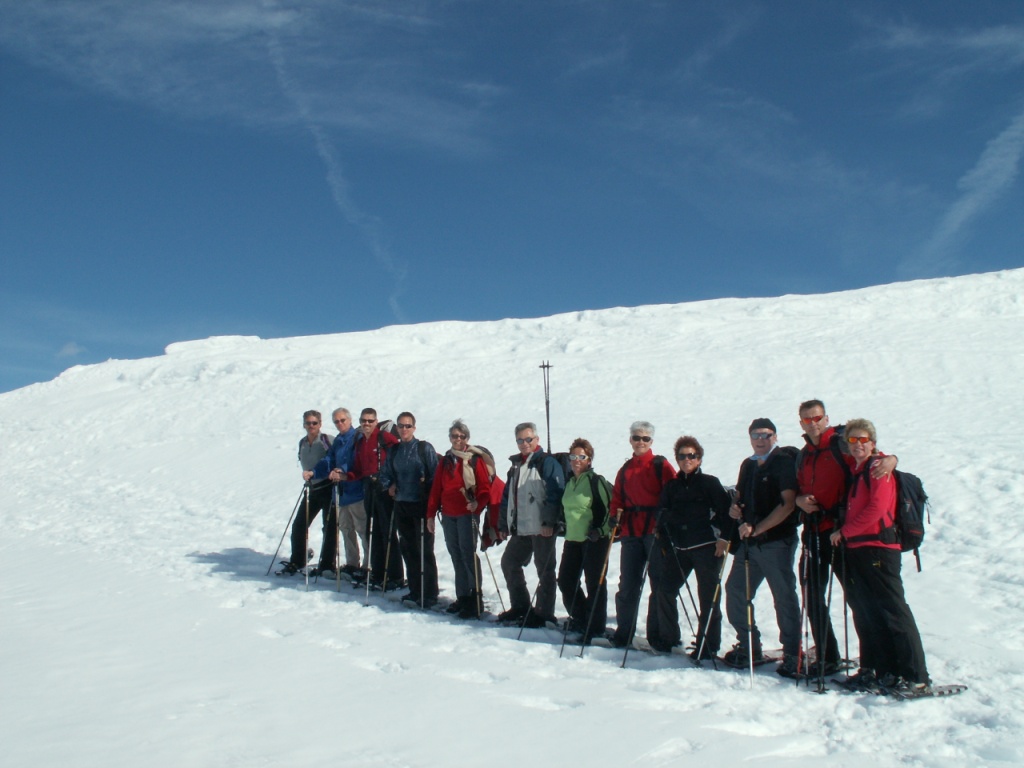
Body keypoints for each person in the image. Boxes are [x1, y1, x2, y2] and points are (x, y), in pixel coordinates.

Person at [794, 399, 897, 676]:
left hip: (842, 535)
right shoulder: (803, 455)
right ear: (801, 423)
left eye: (817, 418)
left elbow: (872, 459)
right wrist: (801, 501)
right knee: (812, 596)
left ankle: (872, 663)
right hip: (813, 533)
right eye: (807, 419)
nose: (813, 424)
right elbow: (798, 490)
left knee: (857, 600)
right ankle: (827, 656)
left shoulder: (842, 445)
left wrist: (892, 459)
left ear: (826, 418)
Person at [830, 419, 930, 696]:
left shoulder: (877, 467)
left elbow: (877, 508)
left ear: (872, 443)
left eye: (863, 440)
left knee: (893, 611)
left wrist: (844, 532)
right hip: (860, 549)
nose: (858, 444)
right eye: (853, 440)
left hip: (879, 548)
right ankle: (885, 671)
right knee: (870, 612)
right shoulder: (858, 470)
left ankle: (916, 676)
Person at [723, 418, 802, 676]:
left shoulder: (783, 463)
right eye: (755, 435)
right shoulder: (748, 465)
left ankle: (792, 652)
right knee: (736, 590)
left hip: (777, 541)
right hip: (750, 542)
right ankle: (749, 645)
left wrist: (757, 528)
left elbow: (788, 504)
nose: (760, 439)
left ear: (775, 437)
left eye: (766, 435)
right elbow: (740, 498)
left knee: (783, 595)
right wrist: (736, 510)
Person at [647, 436, 730, 658]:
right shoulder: (672, 487)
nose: (687, 460)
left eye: (691, 456)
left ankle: (708, 647)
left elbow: (726, 513)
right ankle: (669, 638)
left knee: (708, 598)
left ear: (699, 459)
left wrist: (724, 539)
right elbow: (661, 514)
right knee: (665, 591)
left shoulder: (709, 483)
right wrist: (664, 539)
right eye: (682, 456)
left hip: (707, 548)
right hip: (680, 550)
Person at [608, 421, 676, 648]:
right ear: (631, 440)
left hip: (654, 531)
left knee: (658, 583)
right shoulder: (626, 469)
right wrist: (614, 516)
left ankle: (657, 635)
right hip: (631, 531)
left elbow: (672, 494)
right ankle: (624, 632)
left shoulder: (660, 465)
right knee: (628, 584)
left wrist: (666, 521)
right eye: (637, 438)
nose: (641, 442)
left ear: (651, 441)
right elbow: (617, 497)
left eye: (645, 438)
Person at [496, 422, 565, 627]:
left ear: (537, 439)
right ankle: (521, 607)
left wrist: (549, 522)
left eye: (528, 439)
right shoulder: (516, 465)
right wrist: (503, 524)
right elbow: (508, 497)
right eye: (520, 440)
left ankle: (544, 613)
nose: (524, 443)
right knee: (509, 562)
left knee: (545, 570)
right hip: (522, 527)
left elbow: (555, 494)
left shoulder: (547, 463)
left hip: (542, 528)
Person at [427, 419, 493, 618]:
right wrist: (430, 515)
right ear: (450, 438)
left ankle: (475, 597)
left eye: (461, 436)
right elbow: (436, 489)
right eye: (454, 436)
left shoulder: (474, 460)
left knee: (467, 553)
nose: (458, 439)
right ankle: (463, 596)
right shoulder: (446, 461)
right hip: (448, 515)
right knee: (456, 554)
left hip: (467, 514)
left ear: (467, 438)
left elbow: (485, 488)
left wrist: (477, 504)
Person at [380, 412, 440, 607]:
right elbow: (384, 474)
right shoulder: (394, 450)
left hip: (421, 505)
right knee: (408, 549)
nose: (404, 429)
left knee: (425, 550)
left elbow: (435, 476)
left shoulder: (424, 448)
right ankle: (415, 590)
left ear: (414, 428)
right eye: (401, 426)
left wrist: (432, 503)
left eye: (408, 426)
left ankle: (429, 593)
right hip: (401, 504)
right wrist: (389, 485)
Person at [557, 438, 613, 645]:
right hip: (572, 539)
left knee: (595, 584)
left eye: (581, 456)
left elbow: (609, 510)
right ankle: (581, 618)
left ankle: (595, 627)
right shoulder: (570, 482)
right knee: (566, 581)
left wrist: (600, 530)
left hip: (594, 540)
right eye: (573, 456)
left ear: (589, 460)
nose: (576, 460)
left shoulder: (596, 481)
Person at [311, 408, 368, 580]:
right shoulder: (338, 440)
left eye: (343, 420)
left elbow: (356, 461)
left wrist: (341, 470)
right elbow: (329, 459)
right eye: (336, 421)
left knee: (362, 530)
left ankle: (368, 566)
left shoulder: (357, 438)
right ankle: (352, 563)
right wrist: (314, 472)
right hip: (341, 493)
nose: (340, 424)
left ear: (350, 420)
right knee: (346, 529)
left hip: (356, 491)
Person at [351, 408, 404, 591]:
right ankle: (379, 572)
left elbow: (398, 457)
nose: (366, 424)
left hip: (384, 487)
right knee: (373, 530)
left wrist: (395, 482)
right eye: (363, 421)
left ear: (376, 421)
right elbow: (359, 469)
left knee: (387, 531)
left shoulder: (384, 438)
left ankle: (395, 575)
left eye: (370, 421)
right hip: (369, 487)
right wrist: (345, 476)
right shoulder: (361, 442)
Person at [278, 410, 334, 576]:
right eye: (308, 423)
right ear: (304, 424)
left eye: (314, 423)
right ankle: (298, 559)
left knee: (329, 528)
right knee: (299, 525)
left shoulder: (327, 441)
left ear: (320, 424)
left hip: (328, 488)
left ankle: (327, 564)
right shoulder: (302, 442)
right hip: (312, 489)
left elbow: (334, 460)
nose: (311, 426)